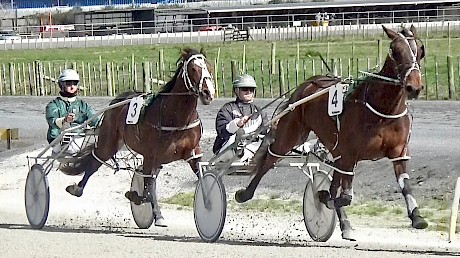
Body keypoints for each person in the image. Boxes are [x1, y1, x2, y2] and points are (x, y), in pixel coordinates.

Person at [212, 74, 268, 161]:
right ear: (237, 91)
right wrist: (237, 124)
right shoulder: (227, 109)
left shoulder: (259, 111)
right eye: (245, 89)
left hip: (252, 148)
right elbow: (222, 132)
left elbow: (265, 131)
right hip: (227, 150)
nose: (249, 92)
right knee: (238, 136)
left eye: (251, 89)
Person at [45, 69, 99, 156]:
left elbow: (95, 118)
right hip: (59, 139)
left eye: (75, 83)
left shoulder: (82, 105)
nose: (72, 86)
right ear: (61, 85)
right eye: (68, 83)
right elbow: (52, 120)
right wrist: (65, 120)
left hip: (80, 139)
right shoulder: (54, 105)